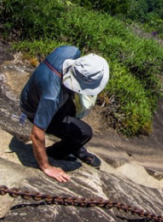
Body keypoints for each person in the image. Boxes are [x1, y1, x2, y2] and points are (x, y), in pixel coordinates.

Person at [19, 45, 109, 182]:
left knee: (73, 109)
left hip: (33, 93)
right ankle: (55, 152)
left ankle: (75, 147)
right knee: (84, 132)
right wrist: (46, 166)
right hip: (34, 109)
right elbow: (36, 134)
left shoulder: (69, 52)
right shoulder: (52, 97)